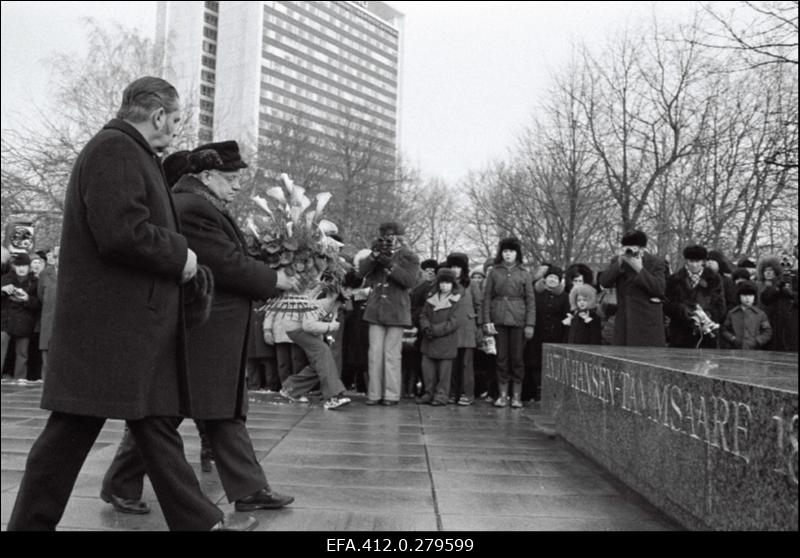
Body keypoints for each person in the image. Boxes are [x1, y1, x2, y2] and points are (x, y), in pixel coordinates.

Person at [7, 77, 257, 531]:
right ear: (159, 114)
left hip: (123, 325)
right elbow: (121, 231)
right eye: (177, 119)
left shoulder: (127, 151)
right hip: (112, 328)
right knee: (72, 432)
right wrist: (180, 256)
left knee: (155, 422)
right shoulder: (115, 150)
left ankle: (201, 522)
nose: (178, 130)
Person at [101, 140, 298, 518]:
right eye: (231, 177)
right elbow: (224, 263)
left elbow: (230, 257)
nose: (238, 185)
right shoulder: (192, 207)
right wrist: (274, 279)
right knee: (168, 414)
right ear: (206, 176)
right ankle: (120, 484)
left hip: (212, 328)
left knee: (217, 411)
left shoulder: (201, 204)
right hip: (203, 329)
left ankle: (250, 488)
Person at [359, 222, 420, 406]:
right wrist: (374, 256)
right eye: (384, 237)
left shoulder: (410, 257)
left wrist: (391, 266)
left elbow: (409, 281)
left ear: (400, 238)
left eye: (391, 237)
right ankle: (374, 394)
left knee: (392, 355)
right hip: (376, 310)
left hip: (397, 310)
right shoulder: (376, 253)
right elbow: (362, 272)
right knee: (374, 354)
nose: (387, 240)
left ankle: (391, 395)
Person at [482, 237, 536, 408]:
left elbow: (530, 300)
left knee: (518, 359)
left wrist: (530, 324)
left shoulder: (524, 273)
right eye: (505, 251)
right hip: (498, 319)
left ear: (517, 253)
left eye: (511, 251)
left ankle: (517, 396)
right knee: (501, 359)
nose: (508, 255)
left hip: (518, 320)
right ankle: (502, 395)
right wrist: (486, 321)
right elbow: (487, 297)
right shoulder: (494, 272)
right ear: (501, 253)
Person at [600, 230, 668, 347]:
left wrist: (639, 269)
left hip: (648, 324)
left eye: (632, 249)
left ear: (642, 249)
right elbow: (604, 282)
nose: (628, 252)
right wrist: (619, 264)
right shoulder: (618, 261)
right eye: (625, 248)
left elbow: (659, 289)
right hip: (624, 322)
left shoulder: (656, 263)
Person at [416, 268, 468, 406]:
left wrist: (434, 330)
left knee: (444, 374)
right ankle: (428, 394)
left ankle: (441, 396)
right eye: (442, 283)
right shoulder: (430, 298)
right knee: (428, 371)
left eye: (448, 283)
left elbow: (455, 322)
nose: (444, 286)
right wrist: (426, 327)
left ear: (453, 284)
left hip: (446, 341)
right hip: (429, 340)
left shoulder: (457, 300)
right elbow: (423, 315)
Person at [665, 245, 726, 349]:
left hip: (707, 334)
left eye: (697, 261)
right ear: (686, 261)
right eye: (691, 261)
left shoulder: (714, 279)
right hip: (680, 334)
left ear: (703, 261)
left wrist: (707, 315)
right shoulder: (674, 279)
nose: (694, 265)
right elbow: (667, 305)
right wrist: (683, 311)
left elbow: (720, 306)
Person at [526, 265, 569, 401]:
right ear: (545, 278)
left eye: (555, 278)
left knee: (551, 363)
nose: (552, 280)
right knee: (535, 362)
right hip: (537, 332)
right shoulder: (536, 293)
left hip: (555, 333)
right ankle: (535, 391)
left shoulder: (564, 296)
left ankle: (549, 392)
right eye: (550, 277)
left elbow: (566, 315)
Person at [1, 253, 40, 383]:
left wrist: (27, 298)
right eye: (18, 266)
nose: (21, 269)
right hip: (6, 320)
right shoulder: (5, 279)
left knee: (22, 353)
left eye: (24, 266)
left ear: (29, 267)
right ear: (14, 266)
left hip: (25, 320)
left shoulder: (35, 282)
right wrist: (2, 289)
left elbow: (38, 303)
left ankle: (20, 378)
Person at [721, 281, 772, 350]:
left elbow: (767, 331)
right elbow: (724, 329)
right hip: (736, 349)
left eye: (750, 295)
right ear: (739, 296)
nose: (747, 298)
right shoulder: (732, 313)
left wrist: (758, 341)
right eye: (744, 295)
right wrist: (732, 338)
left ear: (754, 297)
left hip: (755, 350)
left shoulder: (760, 314)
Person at [36, 246, 59, 381]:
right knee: (46, 348)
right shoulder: (45, 273)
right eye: (54, 256)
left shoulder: (73, 271)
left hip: (66, 318)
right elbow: (40, 295)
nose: (55, 258)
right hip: (49, 315)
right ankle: (45, 380)